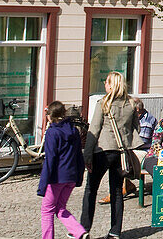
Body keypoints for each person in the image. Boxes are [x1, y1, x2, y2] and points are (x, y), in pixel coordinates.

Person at [81, 72, 139, 239]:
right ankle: (115, 231)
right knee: (117, 192)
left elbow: (94, 130)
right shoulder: (130, 104)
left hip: (103, 151)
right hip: (122, 153)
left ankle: (84, 228)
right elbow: (136, 128)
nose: (105, 84)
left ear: (112, 85)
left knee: (91, 189)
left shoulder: (103, 103)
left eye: (107, 82)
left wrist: (87, 156)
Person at [37, 101, 88, 239]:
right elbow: (79, 155)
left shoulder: (52, 133)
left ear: (49, 116)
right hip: (71, 176)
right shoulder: (73, 130)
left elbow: (50, 160)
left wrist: (43, 185)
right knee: (60, 208)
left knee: (47, 210)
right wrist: (78, 177)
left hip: (56, 178)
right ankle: (79, 232)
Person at [105, 97, 157, 203]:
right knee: (115, 155)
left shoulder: (147, 120)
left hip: (146, 152)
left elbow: (141, 142)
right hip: (135, 149)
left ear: (136, 110)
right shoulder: (137, 118)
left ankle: (115, 192)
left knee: (120, 158)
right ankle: (125, 185)